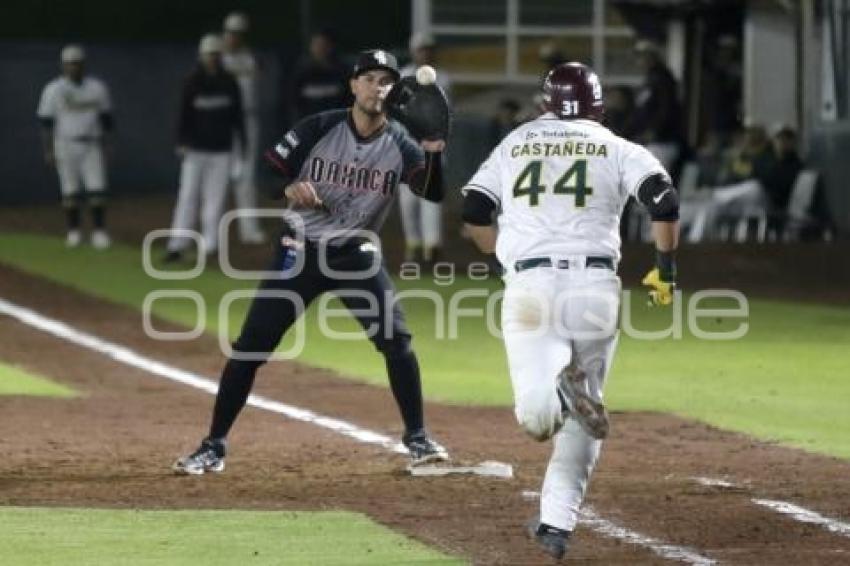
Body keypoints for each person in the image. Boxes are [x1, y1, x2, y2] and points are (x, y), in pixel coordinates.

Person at [173, 49, 450, 475]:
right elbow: (267, 174)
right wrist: (289, 186)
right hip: (298, 251)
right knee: (250, 350)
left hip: (355, 255)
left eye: (387, 81)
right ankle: (213, 446)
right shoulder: (319, 127)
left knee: (396, 341)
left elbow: (431, 192)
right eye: (371, 78)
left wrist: (433, 151)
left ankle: (418, 438)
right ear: (353, 85)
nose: (379, 87)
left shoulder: (401, 142)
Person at [461, 62, 679, 560]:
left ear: (545, 104)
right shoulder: (617, 145)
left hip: (533, 284)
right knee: (587, 415)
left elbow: (474, 207)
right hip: (596, 286)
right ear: (598, 105)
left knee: (537, 419)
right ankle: (557, 525)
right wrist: (665, 269)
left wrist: (504, 260)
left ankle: (559, 398)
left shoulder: (517, 141)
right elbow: (663, 202)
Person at [165, 34, 245, 262]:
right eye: (209, 55)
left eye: (216, 55)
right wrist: (181, 141)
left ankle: (210, 245)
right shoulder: (192, 81)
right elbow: (183, 114)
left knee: (215, 198)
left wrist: (242, 150)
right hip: (196, 150)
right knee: (188, 195)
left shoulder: (229, 82)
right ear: (201, 56)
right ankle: (178, 244)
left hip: (222, 150)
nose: (212, 59)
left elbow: (237, 119)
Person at [37, 44, 114, 249]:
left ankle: (99, 232)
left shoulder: (97, 88)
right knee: (70, 190)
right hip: (65, 143)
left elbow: (107, 120)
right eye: (70, 64)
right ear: (63, 66)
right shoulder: (53, 89)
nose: (73, 68)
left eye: (77, 64)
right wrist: (48, 149)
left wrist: (108, 145)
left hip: (92, 143)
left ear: (83, 65)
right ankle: (74, 231)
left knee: (97, 188)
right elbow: (46, 123)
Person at [397, 33, 451, 265]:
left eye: (429, 48)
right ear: (413, 51)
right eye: (422, 49)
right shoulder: (402, 76)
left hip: (433, 146)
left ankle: (432, 247)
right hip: (408, 146)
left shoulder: (444, 78)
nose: (426, 52)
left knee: (431, 199)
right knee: (408, 201)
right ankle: (413, 244)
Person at [222, 11, 266, 244]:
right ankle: (213, 231)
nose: (234, 38)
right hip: (222, 121)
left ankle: (248, 230)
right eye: (231, 33)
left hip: (248, 119)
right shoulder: (217, 58)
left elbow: (259, 71)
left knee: (246, 175)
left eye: (238, 34)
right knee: (218, 175)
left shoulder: (250, 58)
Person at [627, 40, 683, 171]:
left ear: (653, 57)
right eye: (638, 56)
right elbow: (641, 112)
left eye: (644, 55)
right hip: (651, 142)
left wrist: (654, 130)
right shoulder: (650, 79)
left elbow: (667, 108)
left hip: (663, 141)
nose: (640, 60)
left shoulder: (663, 78)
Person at [288, 29, 350, 123]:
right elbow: (293, 101)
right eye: (316, 45)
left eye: (323, 45)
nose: (319, 49)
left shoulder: (342, 73)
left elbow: (348, 101)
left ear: (331, 47)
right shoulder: (302, 73)